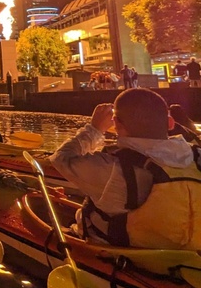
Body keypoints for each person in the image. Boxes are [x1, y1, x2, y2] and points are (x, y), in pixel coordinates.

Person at [50, 88, 201, 250]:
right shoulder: (197, 157)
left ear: (116, 125)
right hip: (189, 255)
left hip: (126, 256)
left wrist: (94, 129)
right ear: (170, 123)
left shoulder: (112, 167)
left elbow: (61, 159)